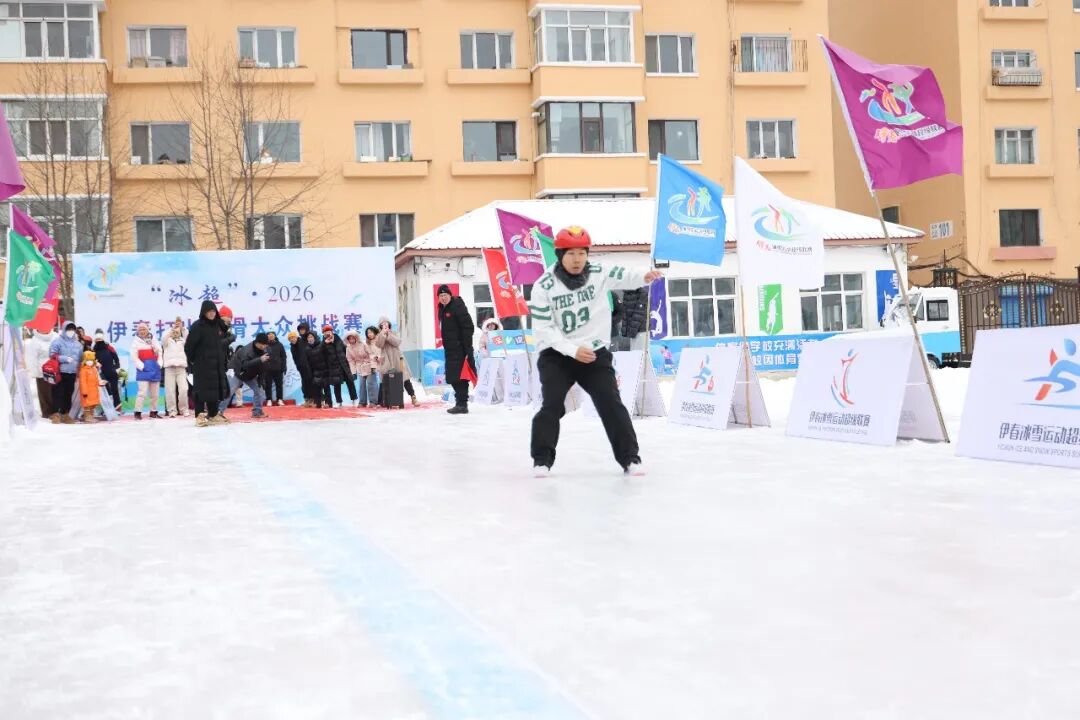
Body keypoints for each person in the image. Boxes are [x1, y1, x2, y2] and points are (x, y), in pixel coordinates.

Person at [528, 226, 663, 476]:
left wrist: (645, 276)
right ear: (560, 255)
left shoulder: (600, 272)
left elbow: (625, 275)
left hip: (594, 353)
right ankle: (542, 460)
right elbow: (544, 330)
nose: (577, 259)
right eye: (571, 254)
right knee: (552, 404)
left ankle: (630, 458)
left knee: (610, 403)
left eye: (582, 253)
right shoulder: (543, 286)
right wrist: (572, 350)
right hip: (556, 354)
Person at [184, 300, 231, 426]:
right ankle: (199, 415)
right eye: (209, 311)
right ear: (203, 312)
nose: (211, 314)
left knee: (214, 390)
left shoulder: (217, 325)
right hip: (202, 365)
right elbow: (189, 347)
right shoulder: (198, 326)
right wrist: (193, 361)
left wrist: (223, 321)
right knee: (201, 390)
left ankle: (213, 414)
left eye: (213, 311)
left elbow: (225, 330)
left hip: (216, 364)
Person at [437, 284, 475, 414]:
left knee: (460, 377)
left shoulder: (457, 306)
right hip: (450, 349)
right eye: (441, 296)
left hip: (460, 348)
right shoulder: (442, 309)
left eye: (445, 295)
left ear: (450, 295)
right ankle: (460, 403)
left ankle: (462, 404)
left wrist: (465, 345)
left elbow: (468, 326)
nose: (443, 298)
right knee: (453, 377)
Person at [374, 317, 419, 408]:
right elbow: (379, 345)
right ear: (380, 326)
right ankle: (386, 401)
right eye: (383, 324)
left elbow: (397, 342)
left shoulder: (393, 333)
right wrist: (383, 334)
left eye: (386, 323)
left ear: (389, 324)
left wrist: (388, 335)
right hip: (387, 360)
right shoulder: (379, 336)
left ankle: (413, 397)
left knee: (404, 378)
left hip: (397, 359)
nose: (385, 325)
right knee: (386, 380)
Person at [225, 332, 272, 419]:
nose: (263, 346)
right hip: (238, 372)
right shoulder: (247, 350)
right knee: (229, 392)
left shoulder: (267, 350)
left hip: (250, 375)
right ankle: (217, 413)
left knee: (260, 392)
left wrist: (261, 379)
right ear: (256, 342)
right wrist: (259, 359)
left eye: (265, 344)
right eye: (261, 344)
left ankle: (257, 412)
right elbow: (245, 365)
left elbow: (265, 365)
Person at [48, 323, 83, 424]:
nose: (70, 331)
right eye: (68, 329)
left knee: (68, 394)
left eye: (72, 329)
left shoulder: (78, 345)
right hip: (60, 372)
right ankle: (56, 414)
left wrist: (78, 372)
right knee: (58, 393)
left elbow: (80, 359)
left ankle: (65, 414)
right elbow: (52, 355)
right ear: (64, 329)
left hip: (72, 372)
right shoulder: (57, 341)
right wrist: (64, 358)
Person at [131, 323, 163, 420]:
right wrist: (142, 366)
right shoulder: (135, 342)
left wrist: (159, 364)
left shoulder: (153, 340)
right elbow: (134, 357)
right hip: (143, 371)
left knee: (155, 394)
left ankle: (153, 412)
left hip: (155, 369)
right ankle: (137, 412)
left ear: (147, 330)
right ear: (137, 331)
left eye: (144, 329)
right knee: (142, 393)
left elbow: (160, 352)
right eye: (140, 330)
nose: (142, 331)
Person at [306, 329, 343, 409]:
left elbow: (325, 353)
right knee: (317, 388)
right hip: (315, 370)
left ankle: (328, 403)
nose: (310, 339)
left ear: (315, 337)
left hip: (324, 369)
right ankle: (318, 404)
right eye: (308, 337)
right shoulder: (307, 348)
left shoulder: (321, 344)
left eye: (311, 337)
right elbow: (308, 361)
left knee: (326, 388)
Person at [25, 328, 57, 419]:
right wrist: (34, 372)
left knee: (54, 392)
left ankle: (55, 412)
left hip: (54, 368)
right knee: (44, 392)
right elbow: (32, 357)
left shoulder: (55, 337)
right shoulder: (35, 340)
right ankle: (46, 412)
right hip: (41, 370)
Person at [161, 317, 189, 418]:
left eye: (177, 332)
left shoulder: (182, 341)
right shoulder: (167, 342)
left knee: (184, 389)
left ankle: (184, 409)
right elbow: (163, 338)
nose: (175, 333)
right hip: (169, 368)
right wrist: (172, 329)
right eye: (174, 331)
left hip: (181, 368)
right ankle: (172, 410)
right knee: (170, 391)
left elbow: (187, 335)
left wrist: (181, 327)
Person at [345, 329, 378, 407]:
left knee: (371, 384)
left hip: (369, 365)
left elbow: (371, 354)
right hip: (359, 367)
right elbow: (351, 361)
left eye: (353, 338)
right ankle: (362, 402)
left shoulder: (363, 344)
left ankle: (373, 401)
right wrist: (353, 372)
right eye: (350, 339)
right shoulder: (348, 348)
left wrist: (373, 366)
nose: (351, 340)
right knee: (361, 385)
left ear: (356, 338)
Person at [92, 330, 122, 413]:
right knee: (105, 392)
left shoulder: (109, 347)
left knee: (115, 390)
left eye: (100, 339)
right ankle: (107, 410)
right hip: (101, 374)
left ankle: (117, 408)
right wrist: (96, 365)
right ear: (95, 340)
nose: (99, 341)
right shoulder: (93, 350)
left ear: (103, 339)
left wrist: (116, 368)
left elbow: (116, 359)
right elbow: (93, 361)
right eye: (97, 339)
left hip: (112, 372)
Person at [290, 322, 316, 407]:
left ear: (307, 329)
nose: (301, 331)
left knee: (313, 383)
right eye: (300, 330)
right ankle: (307, 399)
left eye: (303, 329)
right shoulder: (299, 341)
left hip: (312, 365)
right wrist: (299, 366)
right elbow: (296, 356)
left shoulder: (310, 338)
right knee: (305, 384)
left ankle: (316, 400)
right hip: (302, 367)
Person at [262, 330, 288, 406]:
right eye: (269, 334)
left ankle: (279, 399)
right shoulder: (264, 345)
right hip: (267, 369)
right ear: (267, 336)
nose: (271, 336)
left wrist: (284, 367)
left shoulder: (279, 345)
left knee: (279, 385)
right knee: (268, 385)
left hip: (278, 368)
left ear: (275, 336)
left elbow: (283, 357)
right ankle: (269, 399)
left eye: (272, 334)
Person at [77, 350, 103, 422]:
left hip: (94, 391)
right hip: (87, 392)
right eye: (88, 360)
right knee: (87, 405)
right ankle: (87, 417)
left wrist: (100, 383)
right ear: (85, 361)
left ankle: (90, 416)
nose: (90, 362)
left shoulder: (94, 369)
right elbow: (83, 382)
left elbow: (96, 379)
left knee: (93, 405)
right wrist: (84, 392)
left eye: (91, 360)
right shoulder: (83, 370)